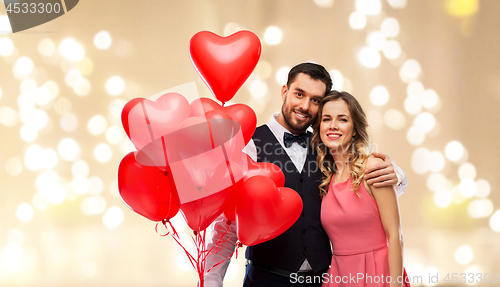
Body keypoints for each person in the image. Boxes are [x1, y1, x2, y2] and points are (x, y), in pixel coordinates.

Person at [204, 63, 408, 287]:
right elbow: (228, 224)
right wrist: (212, 279)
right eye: (299, 94)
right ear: (285, 91)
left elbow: (362, 182)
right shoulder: (250, 144)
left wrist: (397, 173)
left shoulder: (327, 147)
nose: (304, 106)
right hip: (265, 279)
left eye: (315, 100)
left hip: (323, 281)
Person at [312, 91, 409, 287]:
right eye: (326, 119)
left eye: (342, 119)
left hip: (377, 275)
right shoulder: (325, 178)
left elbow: (395, 235)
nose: (333, 125)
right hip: (339, 277)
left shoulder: (373, 167)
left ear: (355, 128)